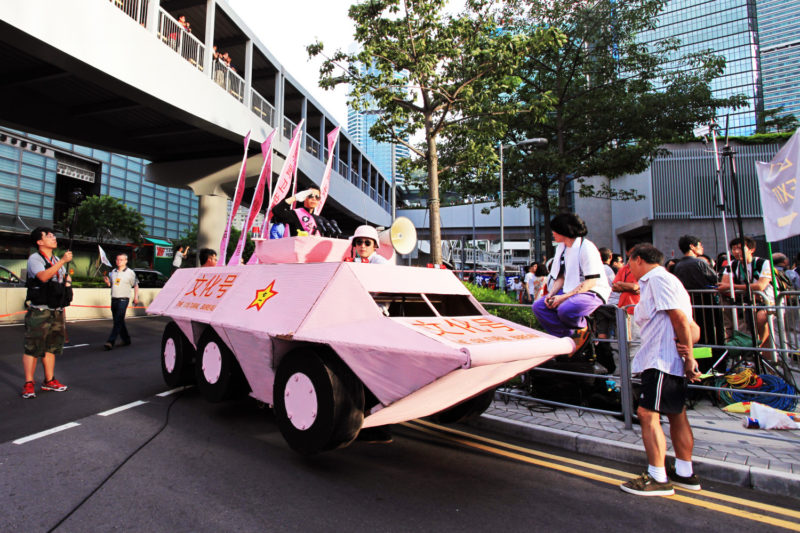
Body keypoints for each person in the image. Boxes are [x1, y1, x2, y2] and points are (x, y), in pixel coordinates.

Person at [620, 243, 702, 496]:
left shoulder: (657, 279)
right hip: (665, 358)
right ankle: (685, 473)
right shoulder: (662, 281)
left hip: (661, 359)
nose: (628, 268)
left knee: (647, 413)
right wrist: (687, 352)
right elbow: (691, 326)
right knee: (676, 413)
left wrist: (688, 356)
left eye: (629, 262)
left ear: (639, 260)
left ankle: (657, 476)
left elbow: (680, 319)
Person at [532, 213, 610, 353]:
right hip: (569, 289)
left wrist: (562, 298)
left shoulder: (587, 247)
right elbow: (561, 276)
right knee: (539, 306)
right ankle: (565, 338)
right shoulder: (561, 249)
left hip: (592, 291)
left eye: (555, 230)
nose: (553, 233)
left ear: (564, 230)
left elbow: (591, 281)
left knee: (566, 309)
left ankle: (583, 328)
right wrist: (551, 294)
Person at [21, 227, 72, 398]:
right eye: (49, 236)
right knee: (33, 348)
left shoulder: (57, 258)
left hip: (55, 310)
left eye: (53, 235)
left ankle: (49, 380)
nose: (53, 238)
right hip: (40, 310)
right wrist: (62, 262)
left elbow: (62, 279)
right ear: (39, 242)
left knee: (51, 347)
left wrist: (67, 283)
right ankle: (29, 383)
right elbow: (43, 276)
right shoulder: (35, 259)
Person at [717, 236, 772, 346]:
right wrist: (745, 288)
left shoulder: (763, 263)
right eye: (733, 249)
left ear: (751, 250)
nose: (736, 252)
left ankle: (762, 350)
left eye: (740, 248)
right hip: (745, 302)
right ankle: (754, 352)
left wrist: (734, 286)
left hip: (767, 300)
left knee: (760, 319)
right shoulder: (732, 264)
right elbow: (724, 285)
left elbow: (760, 286)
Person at [103, 253, 139, 351]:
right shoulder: (113, 272)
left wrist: (136, 297)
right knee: (118, 321)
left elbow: (135, 285)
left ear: (126, 261)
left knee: (118, 320)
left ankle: (111, 341)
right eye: (118, 260)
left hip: (123, 299)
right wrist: (108, 282)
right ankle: (126, 339)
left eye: (122, 260)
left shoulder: (130, 272)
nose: (119, 261)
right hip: (114, 298)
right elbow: (112, 284)